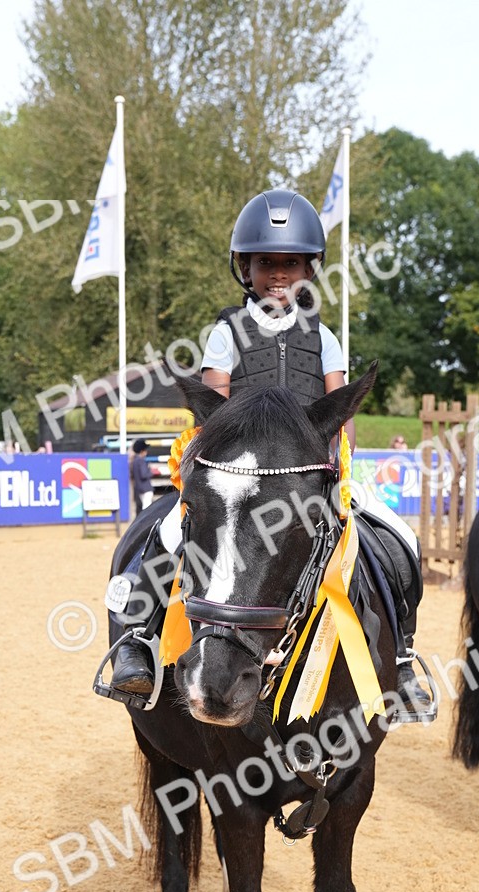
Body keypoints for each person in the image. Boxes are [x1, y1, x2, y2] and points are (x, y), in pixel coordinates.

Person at [108, 189, 431, 720]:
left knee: (400, 538)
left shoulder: (324, 337)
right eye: (265, 263)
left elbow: (338, 408)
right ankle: (137, 642)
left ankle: (400, 662)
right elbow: (213, 408)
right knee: (167, 532)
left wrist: (340, 467)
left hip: (308, 469)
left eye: (290, 263)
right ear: (245, 269)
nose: (278, 274)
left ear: (309, 269)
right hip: (240, 468)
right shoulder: (225, 334)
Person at [131, 438, 155, 512]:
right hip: (146, 489)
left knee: (141, 509)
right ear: (142, 451)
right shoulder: (141, 461)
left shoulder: (134, 461)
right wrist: (151, 472)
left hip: (138, 489)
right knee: (147, 510)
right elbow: (144, 475)